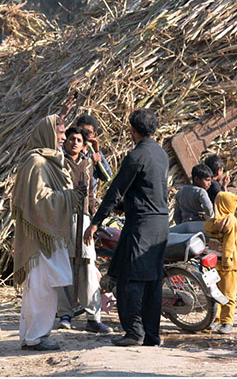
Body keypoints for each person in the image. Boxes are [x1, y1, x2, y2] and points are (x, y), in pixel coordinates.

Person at [84, 108, 169, 347]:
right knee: (153, 281)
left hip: (141, 225)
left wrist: (96, 222)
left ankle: (134, 332)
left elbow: (115, 191)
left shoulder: (136, 156)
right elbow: (147, 189)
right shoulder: (161, 154)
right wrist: (127, 204)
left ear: (133, 130)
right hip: (161, 224)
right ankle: (151, 335)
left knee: (129, 278)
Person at [13, 115, 87, 351]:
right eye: (60, 133)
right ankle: (36, 337)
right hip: (40, 238)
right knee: (40, 288)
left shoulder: (50, 161)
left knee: (43, 287)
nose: (64, 138)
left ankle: (33, 335)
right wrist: (70, 197)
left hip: (49, 237)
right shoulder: (37, 163)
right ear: (47, 133)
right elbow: (38, 201)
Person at [56, 126, 113, 334]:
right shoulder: (57, 162)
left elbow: (94, 189)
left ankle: (93, 316)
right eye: (71, 139)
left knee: (88, 266)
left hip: (85, 219)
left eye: (79, 140)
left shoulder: (89, 162)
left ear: (83, 144)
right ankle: (65, 313)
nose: (74, 143)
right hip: (64, 218)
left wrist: (94, 220)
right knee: (66, 265)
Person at [204, 188, 237, 334]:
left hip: (228, 264)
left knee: (228, 293)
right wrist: (216, 225)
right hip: (214, 262)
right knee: (215, 291)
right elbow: (207, 226)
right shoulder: (217, 220)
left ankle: (228, 321)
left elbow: (229, 244)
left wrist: (226, 260)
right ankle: (217, 319)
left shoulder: (232, 222)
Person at [74, 114, 113, 188]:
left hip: (90, 197)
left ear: (93, 134)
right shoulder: (68, 148)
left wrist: (97, 153)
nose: (84, 135)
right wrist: (88, 163)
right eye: (81, 131)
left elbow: (107, 177)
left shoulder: (93, 151)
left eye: (87, 132)